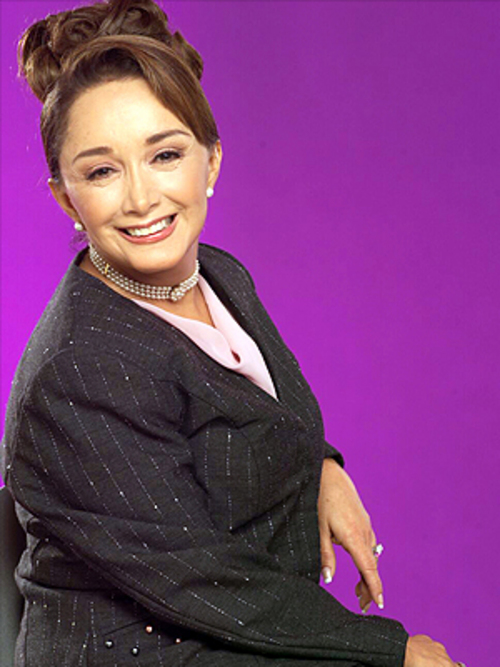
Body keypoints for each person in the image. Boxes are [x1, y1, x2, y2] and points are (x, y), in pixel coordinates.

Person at [0, 0, 463, 665]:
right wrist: (391, 649)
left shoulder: (219, 276)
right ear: (66, 197)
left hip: (237, 624)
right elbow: (203, 582)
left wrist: (321, 465)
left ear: (211, 162)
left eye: (165, 154)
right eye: (102, 171)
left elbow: (255, 409)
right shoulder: (80, 368)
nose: (141, 198)